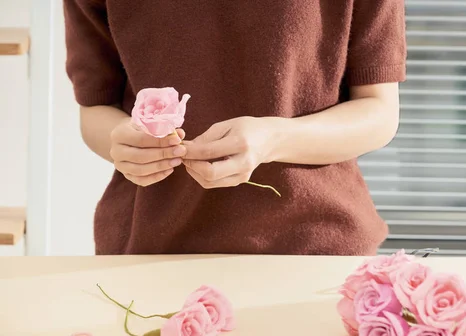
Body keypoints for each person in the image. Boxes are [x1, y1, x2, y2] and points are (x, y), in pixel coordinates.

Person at [63, 0, 406, 255]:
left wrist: (274, 140)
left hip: (316, 250)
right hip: (150, 251)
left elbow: (379, 111)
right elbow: (95, 107)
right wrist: (120, 142)